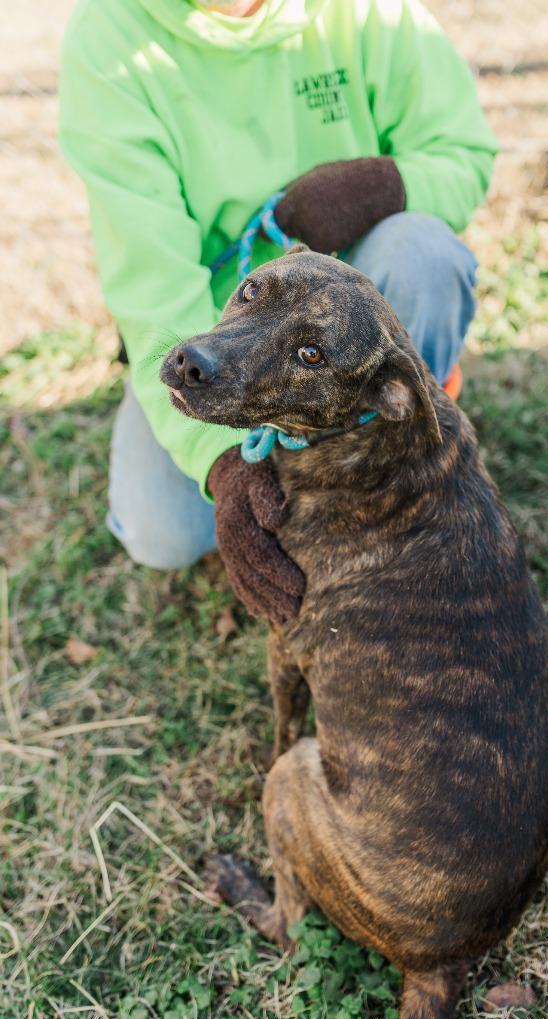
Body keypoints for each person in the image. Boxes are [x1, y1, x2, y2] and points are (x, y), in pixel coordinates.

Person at [59, 0, 497, 622]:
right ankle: (273, 462)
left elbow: (463, 152)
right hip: (217, 329)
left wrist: (382, 187)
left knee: (423, 252)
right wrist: (222, 463)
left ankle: (389, 460)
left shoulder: (373, 13)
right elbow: (151, 280)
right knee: (164, 533)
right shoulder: (112, 35)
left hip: (354, 310)